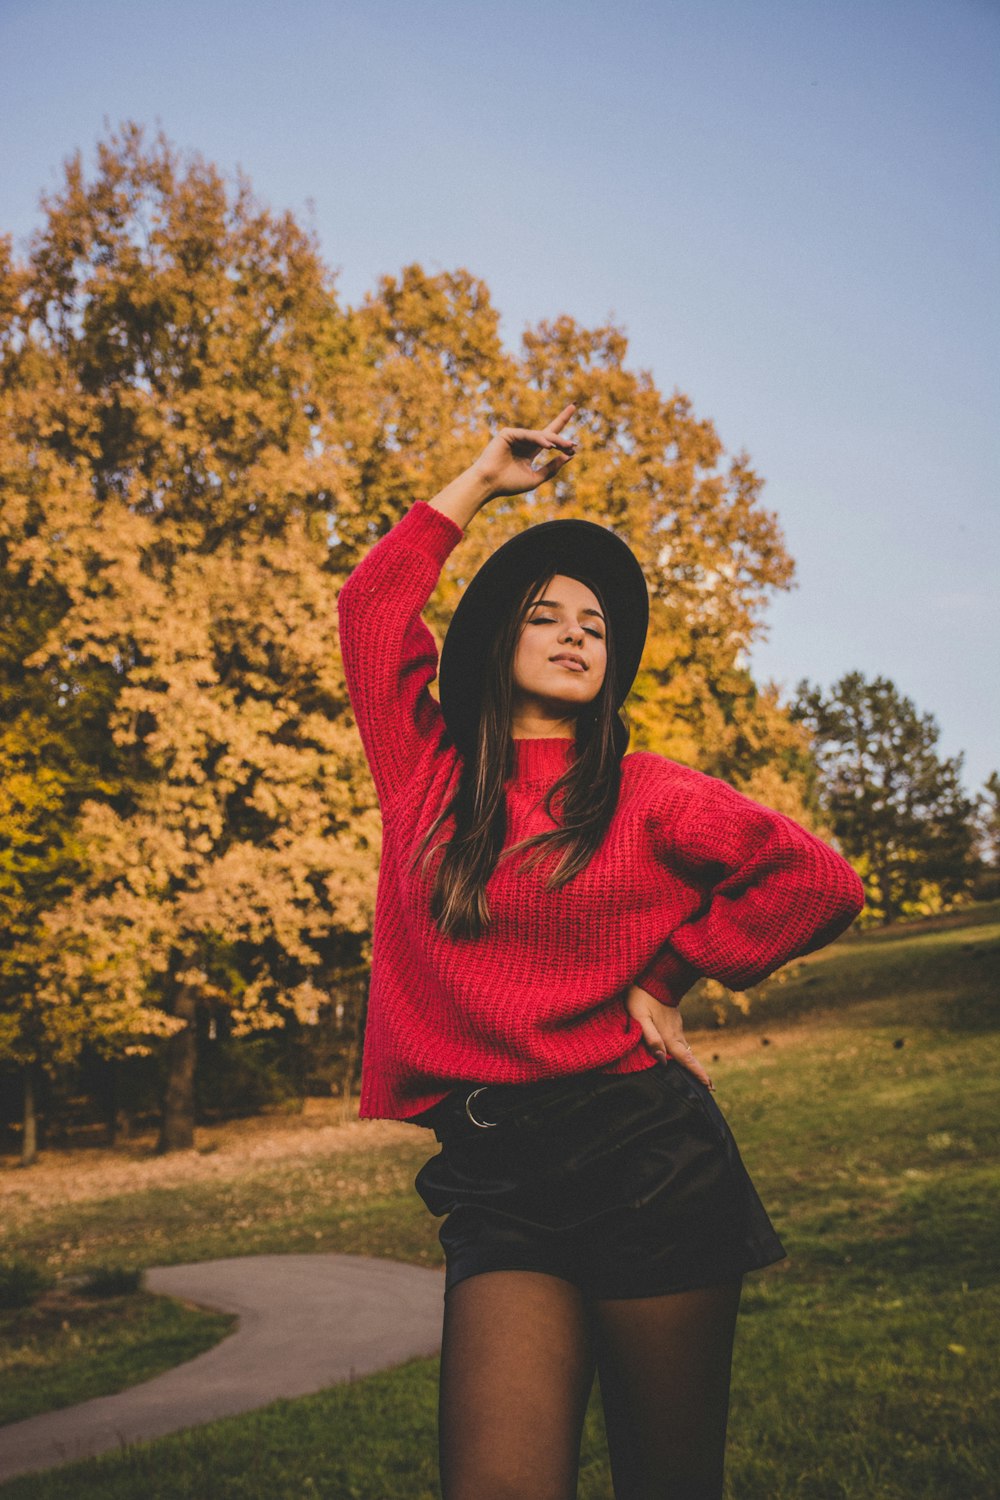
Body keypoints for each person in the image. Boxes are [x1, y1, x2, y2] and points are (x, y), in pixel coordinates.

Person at [336, 401, 865, 1500]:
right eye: (546, 614)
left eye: (595, 622)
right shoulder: (426, 777)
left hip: (645, 1164)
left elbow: (818, 883)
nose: (580, 631)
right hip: (494, 1180)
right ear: (497, 643)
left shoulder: (647, 793)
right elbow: (372, 606)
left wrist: (666, 975)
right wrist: (481, 479)